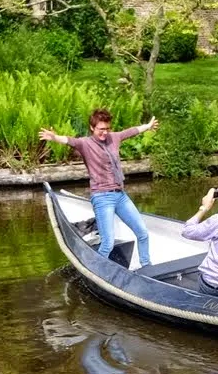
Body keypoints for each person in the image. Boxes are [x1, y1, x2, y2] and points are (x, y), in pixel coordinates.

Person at [40, 108, 159, 268]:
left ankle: (147, 266)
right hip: (102, 197)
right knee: (108, 243)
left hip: (120, 195)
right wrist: (54, 137)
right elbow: (69, 140)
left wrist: (147, 126)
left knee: (143, 233)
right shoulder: (85, 143)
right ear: (92, 128)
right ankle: (96, 270)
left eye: (107, 128)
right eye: (101, 129)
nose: (104, 132)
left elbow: (131, 131)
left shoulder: (113, 138)